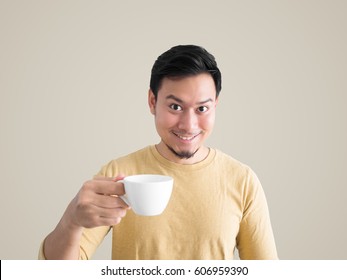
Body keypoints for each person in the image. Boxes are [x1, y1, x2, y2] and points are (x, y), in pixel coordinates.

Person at [39, 45, 278, 260]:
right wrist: (71, 221)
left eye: (202, 108)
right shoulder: (119, 175)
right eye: (175, 106)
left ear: (215, 105)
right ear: (152, 102)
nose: (189, 124)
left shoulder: (242, 180)